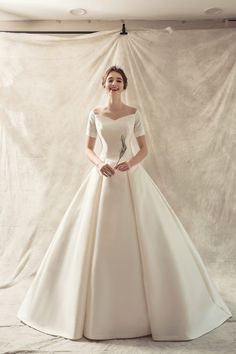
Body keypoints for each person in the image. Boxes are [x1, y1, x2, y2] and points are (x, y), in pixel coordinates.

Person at [17, 65, 232, 342]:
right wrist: (99, 166)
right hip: (103, 176)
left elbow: (143, 149)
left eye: (119, 80)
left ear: (124, 85)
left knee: (146, 236)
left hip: (129, 175)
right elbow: (88, 148)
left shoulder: (134, 114)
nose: (114, 83)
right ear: (103, 84)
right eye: (110, 80)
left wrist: (128, 163)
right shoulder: (95, 114)